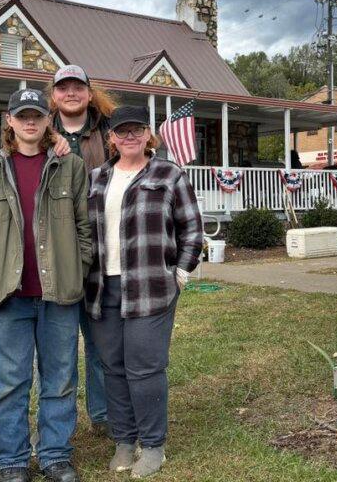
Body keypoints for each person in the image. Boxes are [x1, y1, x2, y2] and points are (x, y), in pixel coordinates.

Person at [0, 88, 92, 482]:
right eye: (22, 115)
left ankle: (55, 454)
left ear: (47, 121)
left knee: (59, 380)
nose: (30, 122)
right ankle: (12, 461)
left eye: (37, 115)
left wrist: (78, 267)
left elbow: (84, 227)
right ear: (9, 120)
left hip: (58, 294)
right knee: (8, 384)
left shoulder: (69, 167)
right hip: (8, 295)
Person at [83, 106, 203, 479]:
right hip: (102, 287)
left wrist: (180, 273)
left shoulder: (168, 174)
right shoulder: (96, 178)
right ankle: (124, 439)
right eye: (122, 131)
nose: (129, 136)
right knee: (113, 368)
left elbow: (192, 230)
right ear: (112, 138)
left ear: (148, 135)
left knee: (145, 367)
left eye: (136, 130)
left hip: (151, 287)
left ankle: (153, 446)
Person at [47, 64, 116, 437]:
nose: (71, 93)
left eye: (78, 87)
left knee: (100, 339)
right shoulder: (37, 131)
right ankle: (60, 422)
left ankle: (103, 415)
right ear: (53, 95)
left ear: (89, 93)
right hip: (56, 253)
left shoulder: (110, 132)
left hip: (102, 251)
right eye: (63, 87)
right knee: (58, 347)